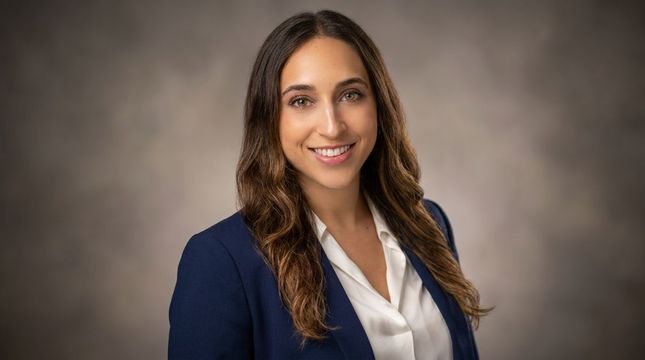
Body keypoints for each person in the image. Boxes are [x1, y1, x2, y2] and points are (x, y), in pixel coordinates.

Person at [168, 9, 490, 360]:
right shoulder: (221, 261)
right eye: (301, 101)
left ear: (379, 104)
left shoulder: (429, 223)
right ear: (269, 119)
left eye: (350, 94)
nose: (332, 126)